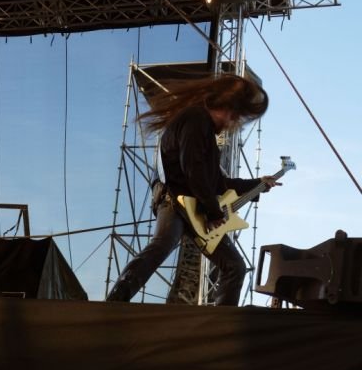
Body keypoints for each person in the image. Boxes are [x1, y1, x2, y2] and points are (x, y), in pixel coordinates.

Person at [106, 73, 280, 305]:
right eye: (235, 116)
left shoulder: (206, 134)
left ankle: (223, 321)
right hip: (175, 200)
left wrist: (258, 184)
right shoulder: (195, 118)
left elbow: (219, 184)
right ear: (226, 107)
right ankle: (116, 300)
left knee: (234, 266)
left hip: (196, 207)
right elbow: (193, 169)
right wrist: (214, 212)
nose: (233, 123)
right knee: (162, 245)